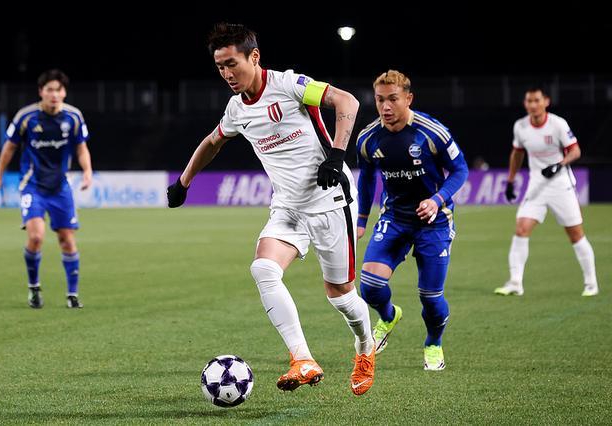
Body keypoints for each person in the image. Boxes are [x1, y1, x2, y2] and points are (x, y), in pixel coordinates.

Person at [166, 23, 375, 395]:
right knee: (263, 268)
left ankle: (365, 344)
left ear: (254, 56)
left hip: (330, 200)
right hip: (288, 206)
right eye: (220, 67)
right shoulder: (236, 108)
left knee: (341, 296)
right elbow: (212, 142)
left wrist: (337, 154)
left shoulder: (290, 85)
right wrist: (184, 182)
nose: (226, 73)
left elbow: (348, 101)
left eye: (232, 63)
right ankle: (302, 359)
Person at [356, 70, 468, 370]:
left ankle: (433, 343)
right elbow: (366, 178)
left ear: (408, 98)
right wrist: (362, 219)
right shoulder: (368, 138)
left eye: (393, 99)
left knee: (430, 297)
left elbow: (460, 170)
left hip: (435, 222)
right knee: (369, 286)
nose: (385, 107)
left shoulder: (432, 132)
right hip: (395, 217)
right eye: (380, 100)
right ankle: (389, 316)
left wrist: (436, 200)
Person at [0, 69, 93, 309]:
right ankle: (34, 288)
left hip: (60, 187)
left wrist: (88, 171)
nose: (54, 94)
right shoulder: (26, 117)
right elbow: (9, 148)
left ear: (64, 92)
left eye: (58, 90)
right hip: (33, 186)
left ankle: (72, 295)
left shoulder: (74, 117)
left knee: (67, 240)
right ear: (41, 92)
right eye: (49, 90)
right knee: (36, 237)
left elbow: (81, 148)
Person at [495, 87, 599, 297]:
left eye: (536, 100)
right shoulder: (520, 126)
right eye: (529, 101)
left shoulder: (558, 124)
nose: (533, 105)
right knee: (521, 228)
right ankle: (515, 283)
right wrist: (510, 180)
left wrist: (559, 164)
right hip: (536, 186)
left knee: (576, 234)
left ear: (546, 102)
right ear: (525, 104)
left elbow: (575, 151)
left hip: (561, 185)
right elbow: (517, 154)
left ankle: (591, 284)